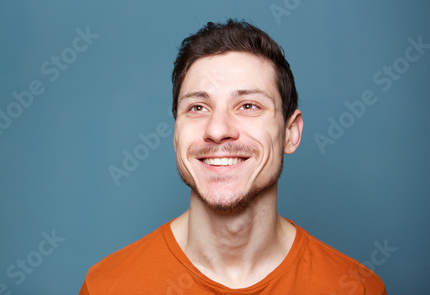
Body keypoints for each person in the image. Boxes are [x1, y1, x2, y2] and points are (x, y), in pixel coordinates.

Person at [79, 19, 386, 294]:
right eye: (197, 108)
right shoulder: (107, 286)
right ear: (176, 136)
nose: (217, 130)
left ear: (290, 133)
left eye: (249, 106)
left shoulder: (355, 288)